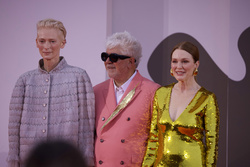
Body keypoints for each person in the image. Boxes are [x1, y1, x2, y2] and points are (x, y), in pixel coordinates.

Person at [7, 18, 95, 167]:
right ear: (36, 42)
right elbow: (13, 126)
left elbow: (87, 126)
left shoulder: (79, 77)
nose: (46, 46)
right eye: (42, 41)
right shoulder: (24, 81)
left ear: (63, 43)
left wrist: (86, 161)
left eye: (52, 41)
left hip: (68, 161)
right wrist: (13, 161)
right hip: (30, 160)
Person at [142, 41, 220, 167]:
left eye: (185, 61)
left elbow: (212, 145)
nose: (179, 66)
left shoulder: (207, 98)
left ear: (196, 64)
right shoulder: (161, 93)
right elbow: (154, 137)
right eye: (174, 61)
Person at [94, 31, 160, 166]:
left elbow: (157, 139)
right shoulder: (96, 91)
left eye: (114, 57)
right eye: (105, 56)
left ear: (130, 61)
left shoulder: (153, 91)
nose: (107, 62)